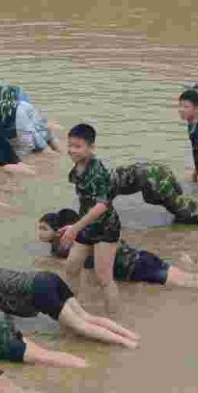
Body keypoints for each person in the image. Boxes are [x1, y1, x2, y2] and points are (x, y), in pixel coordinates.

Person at [38, 212, 198, 293]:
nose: (39, 233)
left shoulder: (82, 245)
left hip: (139, 267)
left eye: (43, 228)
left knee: (189, 282)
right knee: (190, 278)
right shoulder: (89, 238)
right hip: (142, 258)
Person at [0, 262, 139, 348]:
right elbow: (8, 296)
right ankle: (130, 335)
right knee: (86, 317)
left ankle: (125, 343)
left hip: (39, 291)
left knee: (80, 326)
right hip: (47, 277)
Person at [57, 123, 123, 292]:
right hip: (87, 225)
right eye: (70, 145)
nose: (72, 150)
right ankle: (73, 312)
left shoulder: (97, 171)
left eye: (78, 146)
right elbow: (86, 202)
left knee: (104, 280)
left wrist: (75, 229)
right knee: (71, 268)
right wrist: (75, 226)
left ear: (92, 148)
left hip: (105, 227)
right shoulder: (77, 168)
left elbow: (101, 206)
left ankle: (115, 317)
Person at [110, 161, 198, 228]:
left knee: (186, 210)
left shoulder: (100, 186)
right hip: (159, 170)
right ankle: (190, 210)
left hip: (154, 179)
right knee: (175, 202)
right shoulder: (104, 175)